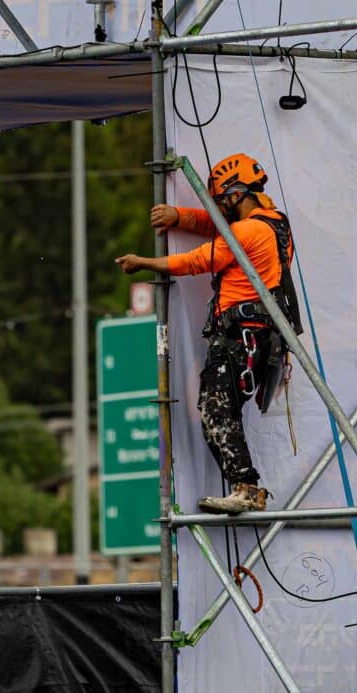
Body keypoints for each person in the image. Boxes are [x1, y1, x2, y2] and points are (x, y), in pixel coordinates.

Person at [114, 151, 293, 515]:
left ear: (235, 193)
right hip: (257, 337)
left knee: (215, 409)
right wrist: (179, 217)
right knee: (218, 409)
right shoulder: (273, 224)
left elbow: (199, 260)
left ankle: (246, 486)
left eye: (222, 201)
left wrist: (144, 263)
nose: (220, 208)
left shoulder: (249, 230)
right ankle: (245, 485)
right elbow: (218, 227)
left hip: (241, 337)